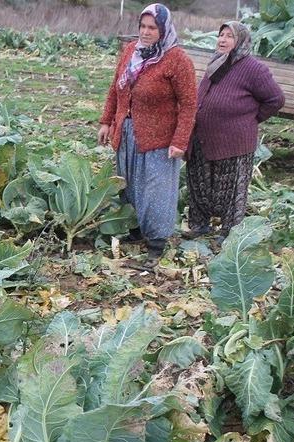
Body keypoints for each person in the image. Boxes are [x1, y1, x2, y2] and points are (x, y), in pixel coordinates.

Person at [98, 3, 197, 268]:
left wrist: (180, 141)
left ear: (163, 29)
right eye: (142, 26)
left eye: (152, 27)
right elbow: (114, 89)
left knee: (156, 190)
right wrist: (107, 121)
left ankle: (156, 244)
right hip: (126, 132)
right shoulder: (131, 51)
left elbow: (188, 104)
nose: (145, 32)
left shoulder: (177, 60)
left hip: (159, 138)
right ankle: (134, 230)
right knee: (128, 184)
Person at [185, 21, 284, 242]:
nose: (222, 39)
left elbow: (275, 99)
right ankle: (200, 225)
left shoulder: (254, 69)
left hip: (234, 142)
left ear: (240, 41)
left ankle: (229, 232)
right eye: (221, 35)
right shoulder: (216, 62)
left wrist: (251, 120)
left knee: (231, 190)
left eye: (229, 36)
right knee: (199, 182)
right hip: (204, 137)